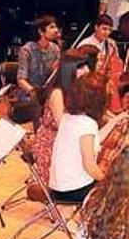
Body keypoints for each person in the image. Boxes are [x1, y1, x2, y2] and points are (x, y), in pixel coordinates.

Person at [31, 50, 91, 181]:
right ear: (69, 70)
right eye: (80, 67)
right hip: (53, 144)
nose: (87, 70)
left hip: (66, 140)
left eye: (86, 66)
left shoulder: (77, 90)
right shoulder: (58, 93)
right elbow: (63, 126)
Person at [48, 72, 106, 202]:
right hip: (74, 190)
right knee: (116, 190)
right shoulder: (88, 124)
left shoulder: (68, 118)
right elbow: (89, 166)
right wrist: (107, 179)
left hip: (58, 187)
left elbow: (90, 144)